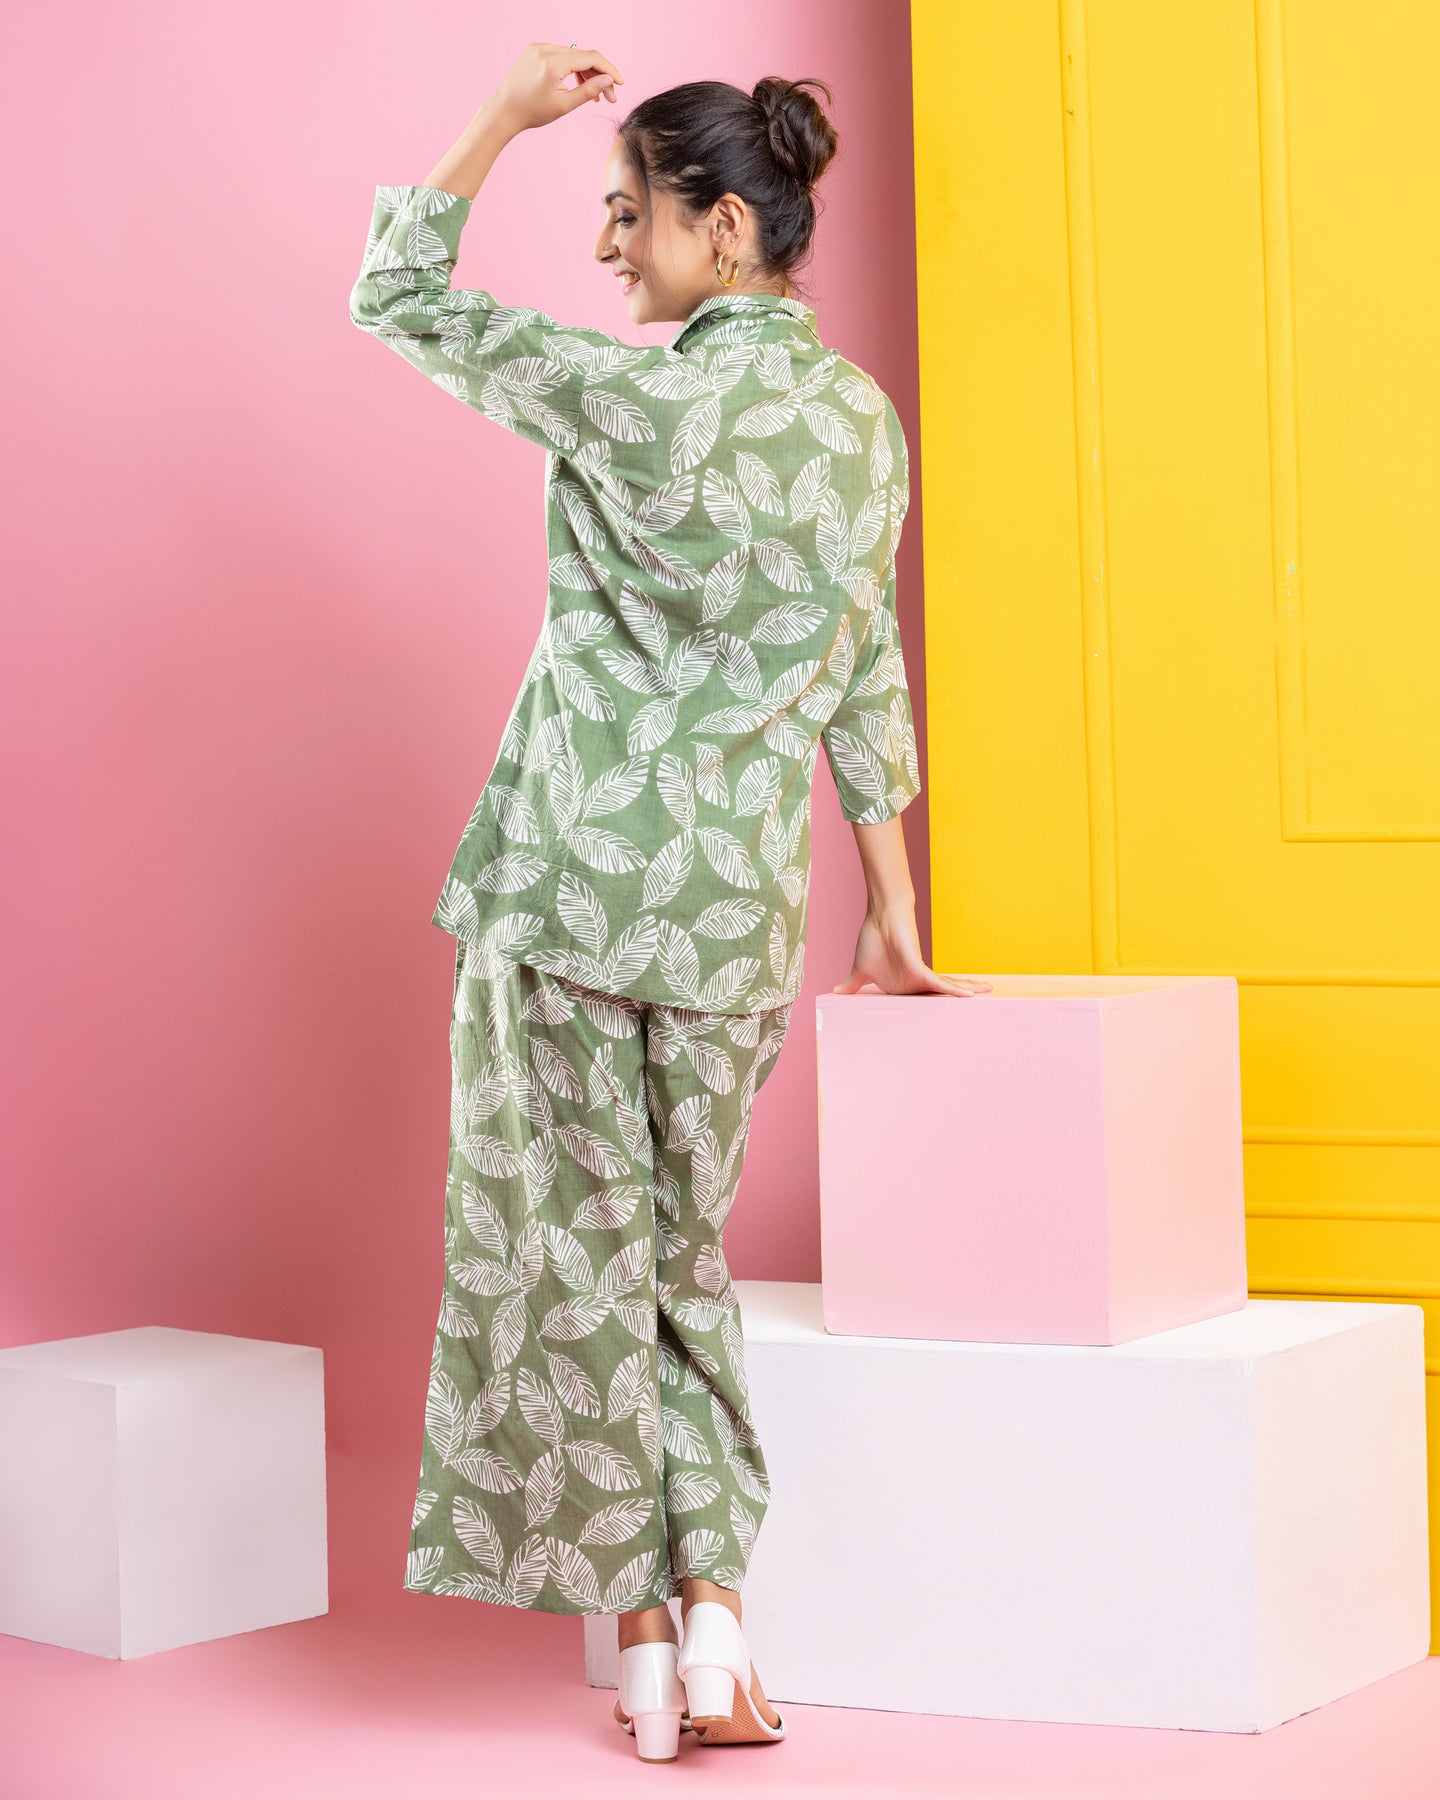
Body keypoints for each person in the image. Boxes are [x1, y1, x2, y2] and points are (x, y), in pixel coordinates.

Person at [349, 41, 991, 1763]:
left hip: (566, 892)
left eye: (630, 213)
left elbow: (396, 295)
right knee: (682, 1262)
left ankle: (646, 1646)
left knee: (576, 1260)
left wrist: (499, 115)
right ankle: (707, 1625)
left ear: (724, 225)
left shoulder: (628, 398)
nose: (608, 247)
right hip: (731, 921)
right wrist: (893, 905)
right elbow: (867, 665)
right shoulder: (862, 425)